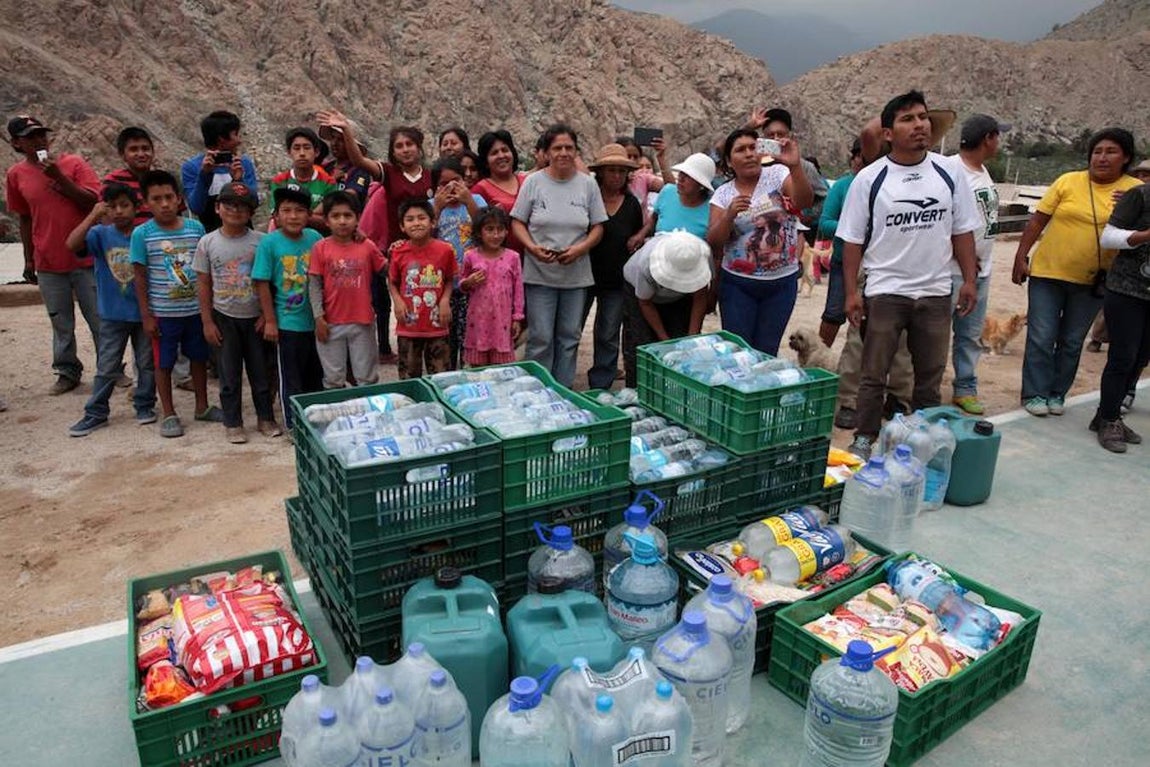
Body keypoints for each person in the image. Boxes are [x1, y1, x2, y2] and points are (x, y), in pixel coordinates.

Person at [837, 91, 981, 458]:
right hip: (885, 290)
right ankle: (865, 436)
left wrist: (967, 279)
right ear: (887, 133)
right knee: (873, 373)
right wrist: (853, 293)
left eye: (923, 117)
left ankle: (923, 439)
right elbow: (852, 240)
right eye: (907, 119)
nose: (919, 125)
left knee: (929, 377)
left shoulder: (950, 172)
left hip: (934, 292)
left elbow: (962, 229)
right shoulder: (870, 178)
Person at [1011, 128, 1141, 417]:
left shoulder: (1134, 190)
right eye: (1097, 151)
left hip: (1094, 280)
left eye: (1111, 152)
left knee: (1071, 341)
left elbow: (1138, 233)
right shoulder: (1067, 181)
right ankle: (1034, 393)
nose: (1102, 158)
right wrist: (1021, 257)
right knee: (1041, 336)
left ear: (1126, 157)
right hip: (1048, 273)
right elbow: (1037, 221)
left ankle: (1057, 393)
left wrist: (1128, 209)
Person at [319, 112, 431, 364]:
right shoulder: (389, 173)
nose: (405, 150)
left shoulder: (430, 175)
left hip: (426, 249)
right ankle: (408, 363)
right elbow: (359, 159)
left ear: (419, 147)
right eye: (399, 146)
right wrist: (346, 129)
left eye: (409, 144)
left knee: (426, 302)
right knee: (403, 306)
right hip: (399, 250)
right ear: (392, 151)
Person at [6, 115, 101, 394]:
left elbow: (93, 201)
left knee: (99, 317)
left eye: (41, 134)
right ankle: (67, 371)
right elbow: (24, 218)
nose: (38, 141)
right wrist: (28, 259)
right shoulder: (16, 175)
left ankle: (111, 368)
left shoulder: (74, 164)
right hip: (48, 259)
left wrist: (60, 178)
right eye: (30, 137)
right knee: (61, 321)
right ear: (16, 143)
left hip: (86, 257)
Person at [511, 124, 607, 387]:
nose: (563, 153)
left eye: (569, 148)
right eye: (557, 148)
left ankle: (563, 390)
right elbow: (517, 222)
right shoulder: (533, 182)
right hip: (540, 273)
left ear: (576, 151)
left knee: (569, 336)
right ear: (546, 152)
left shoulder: (587, 185)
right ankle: (536, 388)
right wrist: (532, 248)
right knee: (540, 336)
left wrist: (581, 248)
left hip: (576, 275)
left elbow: (598, 226)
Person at [129, 170, 222, 437]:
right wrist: (146, 316)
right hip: (163, 314)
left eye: (169, 197)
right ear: (146, 203)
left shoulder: (195, 229)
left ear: (179, 198)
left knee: (199, 358)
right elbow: (139, 276)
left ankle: (202, 406)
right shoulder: (141, 234)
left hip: (195, 310)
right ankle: (169, 413)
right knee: (164, 363)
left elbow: (205, 272)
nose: (165, 204)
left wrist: (209, 310)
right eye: (156, 199)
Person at [707, 127, 814, 355]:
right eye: (740, 150)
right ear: (728, 160)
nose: (749, 153)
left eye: (753, 147)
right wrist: (728, 216)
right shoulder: (723, 194)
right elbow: (714, 241)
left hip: (781, 285)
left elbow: (804, 201)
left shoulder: (777, 174)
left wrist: (795, 166)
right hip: (738, 286)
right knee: (739, 353)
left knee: (767, 352)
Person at [64, 184, 156, 436]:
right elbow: (71, 244)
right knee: (107, 365)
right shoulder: (100, 234)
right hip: (112, 313)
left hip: (143, 312)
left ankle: (145, 404)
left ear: (136, 207)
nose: (118, 211)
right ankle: (96, 412)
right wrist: (93, 216)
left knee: (146, 363)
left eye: (124, 205)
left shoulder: (144, 234)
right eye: (112, 206)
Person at [193, 182, 279, 443]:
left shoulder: (261, 242)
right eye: (229, 205)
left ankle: (265, 418)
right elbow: (203, 283)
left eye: (243, 207)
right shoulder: (207, 242)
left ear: (252, 212)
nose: (236, 211)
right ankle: (233, 422)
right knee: (229, 374)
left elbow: (270, 282)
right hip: (224, 316)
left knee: (261, 373)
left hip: (255, 317)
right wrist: (207, 321)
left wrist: (267, 315)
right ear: (218, 208)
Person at [940, 114, 1009, 415]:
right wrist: (963, 258)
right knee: (937, 334)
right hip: (951, 272)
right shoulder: (950, 169)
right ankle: (925, 387)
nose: (999, 142)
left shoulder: (982, 172)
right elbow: (941, 222)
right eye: (998, 136)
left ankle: (965, 387)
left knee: (969, 334)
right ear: (988, 139)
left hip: (982, 271)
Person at [253, 187, 325, 431]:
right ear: (276, 215)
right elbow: (261, 282)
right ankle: (294, 425)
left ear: (308, 215)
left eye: (299, 211)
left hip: (315, 321)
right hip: (287, 322)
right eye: (287, 210)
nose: (293, 216)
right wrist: (270, 320)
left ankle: (316, 422)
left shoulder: (315, 238)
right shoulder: (269, 243)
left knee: (316, 375)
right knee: (291, 378)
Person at [1093, 178, 1150, 451]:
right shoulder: (1139, 196)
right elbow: (1109, 237)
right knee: (1122, 357)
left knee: (1140, 357)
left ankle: (1106, 413)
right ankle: (1109, 419)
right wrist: (1146, 235)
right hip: (1127, 291)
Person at [308, 191, 385, 388]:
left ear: (358, 218)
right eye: (335, 216)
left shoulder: (367, 246)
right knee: (333, 378)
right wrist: (318, 317)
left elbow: (387, 270)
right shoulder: (320, 248)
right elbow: (314, 284)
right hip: (330, 322)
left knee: (366, 377)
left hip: (363, 321)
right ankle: (339, 414)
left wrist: (400, 251)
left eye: (348, 215)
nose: (342, 221)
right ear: (326, 220)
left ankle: (368, 414)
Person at [585, 143, 644, 390]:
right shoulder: (588, 197)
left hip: (617, 280)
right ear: (601, 172)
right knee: (570, 330)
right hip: (583, 275)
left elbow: (637, 237)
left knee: (608, 333)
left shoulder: (631, 204)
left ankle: (600, 385)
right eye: (612, 170)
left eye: (621, 171)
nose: (617, 176)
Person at [622, 231, 713, 387]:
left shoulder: (702, 255)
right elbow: (646, 304)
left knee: (682, 343)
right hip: (641, 295)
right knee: (644, 345)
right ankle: (637, 390)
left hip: (680, 299)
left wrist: (692, 336)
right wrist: (664, 340)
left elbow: (700, 297)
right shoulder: (645, 263)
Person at [388, 198, 457, 378]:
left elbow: (450, 279)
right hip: (408, 326)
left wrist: (444, 300)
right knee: (408, 376)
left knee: (442, 376)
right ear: (402, 226)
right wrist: (397, 301)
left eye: (421, 218)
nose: (416, 223)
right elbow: (392, 281)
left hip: (437, 325)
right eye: (410, 219)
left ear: (433, 222)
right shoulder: (398, 251)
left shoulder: (445, 250)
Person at [431, 156, 487, 369]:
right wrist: (436, 206)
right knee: (445, 339)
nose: (451, 188)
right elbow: (425, 234)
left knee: (468, 336)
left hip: (471, 284)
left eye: (456, 181)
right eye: (444, 184)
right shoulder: (431, 207)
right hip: (441, 286)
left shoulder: (477, 201)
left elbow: (484, 226)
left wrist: (468, 200)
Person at [746, 107, 829, 232]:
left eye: (781, 134)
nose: (776, 139)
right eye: (770, 135)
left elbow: (824, 197)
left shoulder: (804, 167)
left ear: (790, 136)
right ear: (763, 138)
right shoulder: (755, 166)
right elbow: (724, 152)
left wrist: (807, 216)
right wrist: (748, 128)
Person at [461, 206, 524, 366]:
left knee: (501, 369)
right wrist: (469, 282)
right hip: (478, 321)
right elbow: (462, 285)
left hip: (502, 322)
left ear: (506, 232)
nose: (496, 235)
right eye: (489, 229)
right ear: (478, 233)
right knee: (477, 367)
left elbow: (518, 290)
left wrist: (517, 317)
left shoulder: (513, 258)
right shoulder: (470, 256)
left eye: (500, 229)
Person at [180, 110, 259, 233]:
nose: (239, 140)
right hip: (209, 236)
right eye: (236, 134)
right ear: (222, 139)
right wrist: (205, 175)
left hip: (244, 234)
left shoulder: (243, 164)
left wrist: (238, 180)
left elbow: (253, 203)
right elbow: (196, 207)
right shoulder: (192, 167)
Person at [630, 152, 716, 244]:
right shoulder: (667, 191)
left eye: (688, 176)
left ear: (701, 185)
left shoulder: (713, 209)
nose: (680, 178)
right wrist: (641, 235)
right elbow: (653, 220)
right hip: (658, 254)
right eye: (681, 173)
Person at [268, 127, 337, 231]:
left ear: (317, 152)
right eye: (296, 148)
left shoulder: (328, 182)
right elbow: (277, 220)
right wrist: (312, 215)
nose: (302, 153)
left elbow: (331, 221)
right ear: (289, 152)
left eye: (307, 147)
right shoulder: (279, 181)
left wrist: (294, 215)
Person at [472, 130, 527, 252]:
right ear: (486, 161)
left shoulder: (529, 181)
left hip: (535, 256)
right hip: (501, 260)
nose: (501, 156)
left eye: (505, 150)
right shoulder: (480, 189)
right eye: (494, 153)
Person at [102, 126, 165, 225]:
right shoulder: (113, 181)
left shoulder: (163, 180)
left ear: (153, 152)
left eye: (145, 149)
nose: (141, 154)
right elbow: (106, 218)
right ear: (122, 155)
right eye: (133, 149)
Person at [319, 119, 374, 207]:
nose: (334, 143)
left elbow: (350, 196)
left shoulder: (359, 170)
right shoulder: (324, 168)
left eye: (341, 140)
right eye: (333, 137)